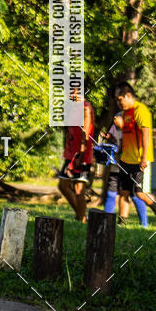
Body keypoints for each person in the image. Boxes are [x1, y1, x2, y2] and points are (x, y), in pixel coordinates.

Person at [115, 82, 156, 226]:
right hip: (126, 160)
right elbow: (126, 135)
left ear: (128, 96)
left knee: (140, 193)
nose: (119, 103)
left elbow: (146, 135)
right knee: (124, 192)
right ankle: (121, 224)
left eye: (120, 99)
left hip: (140, 161)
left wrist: (144, 158)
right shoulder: (125, 112)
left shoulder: (141, 110)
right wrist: (119, 153)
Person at [57, 88, 95, 222]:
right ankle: (81, 216)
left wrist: (81, 154)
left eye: (72, 92)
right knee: (63, 185)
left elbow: (86, 133)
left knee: (79, 189)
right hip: (70, 155)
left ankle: (81, 219)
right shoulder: (73, 108)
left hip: (80, 155)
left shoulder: (85, 108)